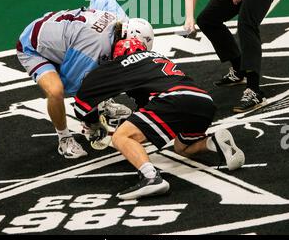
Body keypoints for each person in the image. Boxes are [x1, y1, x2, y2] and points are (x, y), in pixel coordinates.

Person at [74, 37, 245, 200]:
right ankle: (215, 142)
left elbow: (84, 98)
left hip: (173, 100)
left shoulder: (121, 63)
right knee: (183, 147)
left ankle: (150, 178)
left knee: (122, 136)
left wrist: (92, 121)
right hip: (203, 101)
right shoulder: (157, 58)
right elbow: (145, 107)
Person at [16, 0, 154, 159]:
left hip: (58, 30)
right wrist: (93, 118)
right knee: (56, 90)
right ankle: (64, 139)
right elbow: (78, 89)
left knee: (107, 66)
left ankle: (102, 103)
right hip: (33, 47)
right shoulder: (95, 46)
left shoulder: (122, 21)